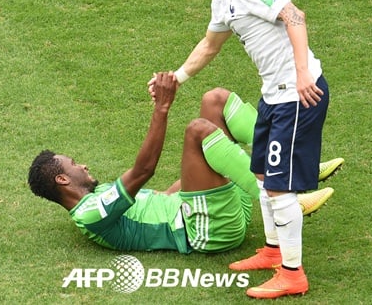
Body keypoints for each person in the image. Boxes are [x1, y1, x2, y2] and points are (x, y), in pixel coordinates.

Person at [149, 0, 331, 298]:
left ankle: (293, 274)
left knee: (279, 188)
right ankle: (273, 251)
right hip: (273, 95)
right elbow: (210, 45)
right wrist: (176, 79)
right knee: (262, 176)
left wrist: (302, 73)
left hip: (297, 95)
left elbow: (295, 16)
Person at [29, 72, 340, 255]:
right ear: (62, 180)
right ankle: (282, 200)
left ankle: (291, 167)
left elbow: (165, 197)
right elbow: (143, 170)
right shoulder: (90, 215)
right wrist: (162, 108)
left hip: (212, 208)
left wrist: (204, 166)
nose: (82, 165)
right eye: (73, 164)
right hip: (208, 229)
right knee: (197, 131)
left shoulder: (101, 194)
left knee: (215, 100)